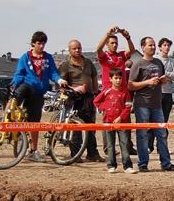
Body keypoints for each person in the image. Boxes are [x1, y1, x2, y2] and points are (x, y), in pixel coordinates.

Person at [11, 31, 67, 162]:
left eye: (43, 43)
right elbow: (19, 74)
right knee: (14, 96)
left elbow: (53, 72)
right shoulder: (26, 57)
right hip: (27, 85)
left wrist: (59, 81)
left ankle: (33, 150)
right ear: (33, 43)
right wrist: (13, 85)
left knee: (34, 121)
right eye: (38, 43)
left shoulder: (48, 58)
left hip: (39, 90)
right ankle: (5, 121)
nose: (41, 46)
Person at [129, 36, 174, 172]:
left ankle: (166, 163)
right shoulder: (138, 64)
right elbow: (131, 85)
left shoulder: (158, 63)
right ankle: (143, 163)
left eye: (153, 45)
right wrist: (147, 82)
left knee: (162, 134)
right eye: (150, 45)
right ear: (143, 47)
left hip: (157, 104)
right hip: (142, 104)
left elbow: (163, 79)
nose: (152, 47)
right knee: (142, 135)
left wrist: (162, 81)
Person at [58, 40, 105, 163]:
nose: (77, 50)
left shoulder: (89, 62)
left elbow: (94, 77)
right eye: (74, 48)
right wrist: (74, 89)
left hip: (89, 98)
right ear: (69, 50)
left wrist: (96, 93)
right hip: (74, 98)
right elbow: (62, 85)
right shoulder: (65, 65)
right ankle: (76, 154)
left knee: (90, 126)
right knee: (76, 128)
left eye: (79, 48)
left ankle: (92, 153)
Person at [96, 26, 137, 155]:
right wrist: (108, 34)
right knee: (108, 120)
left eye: (116, 43)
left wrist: (127, 37)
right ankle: (109, 149)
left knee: (126, 118)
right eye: (111, 43)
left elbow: (132, 50)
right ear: (107, 44)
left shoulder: (121, 55)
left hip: (123, 91)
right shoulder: (104, 56)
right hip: (109, 92)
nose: (114, 45)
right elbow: (98, 49)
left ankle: (128, 146)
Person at [93, 67, 137, 174]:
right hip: (108, 122)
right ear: (110, 79)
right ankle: (111, 165)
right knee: (110, 145)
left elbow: (128, 106)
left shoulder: (125, 92)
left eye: (120, 78)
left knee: (125, 143)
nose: (118, 80)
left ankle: (127, 165)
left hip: (122, 123)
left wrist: (121, 117)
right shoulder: (106, 91)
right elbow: (96, 101)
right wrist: (105, 108)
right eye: (116, 78)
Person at [147, 38, 174, 153]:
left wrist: (166, 74)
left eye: (168, 45)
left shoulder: (172, 61)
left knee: (164, 121)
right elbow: (151, 73)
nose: (167, 47)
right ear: (160, 47)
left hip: (168, 94)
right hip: (155, 93)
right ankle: (149, 145)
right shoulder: (155, 59)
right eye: (164, 45)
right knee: (152, 120)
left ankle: (162, 146)